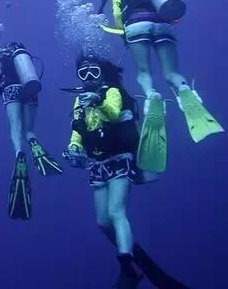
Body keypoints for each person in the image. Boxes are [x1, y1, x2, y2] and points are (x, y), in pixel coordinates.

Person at [62, 53, 187, 289]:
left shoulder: (112, 91)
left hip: (120, 158)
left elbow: (112, 113)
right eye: (83, 73)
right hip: (97, 164)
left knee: (116, 211)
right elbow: (77, 128)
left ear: (102, 74)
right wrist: (73, 147)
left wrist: (97, 100)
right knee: (102, 221)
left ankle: (127, 268)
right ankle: (130, 252)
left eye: (93, 72)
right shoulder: (79, 100)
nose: (89, 78)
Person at [99, 0, 223, 172]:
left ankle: (152, 95)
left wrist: (123, 34)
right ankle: (184, 89)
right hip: (163, 23)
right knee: (172, 73)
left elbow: (118, 14)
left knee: (144, 72)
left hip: (136, 24)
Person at [0, 42, 62, 220]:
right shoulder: (26, 58)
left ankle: (19, 153)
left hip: (11, 89)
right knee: (29, 131)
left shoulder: (3, 58)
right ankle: (33, 143)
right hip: (30, 90)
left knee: (15, 127)